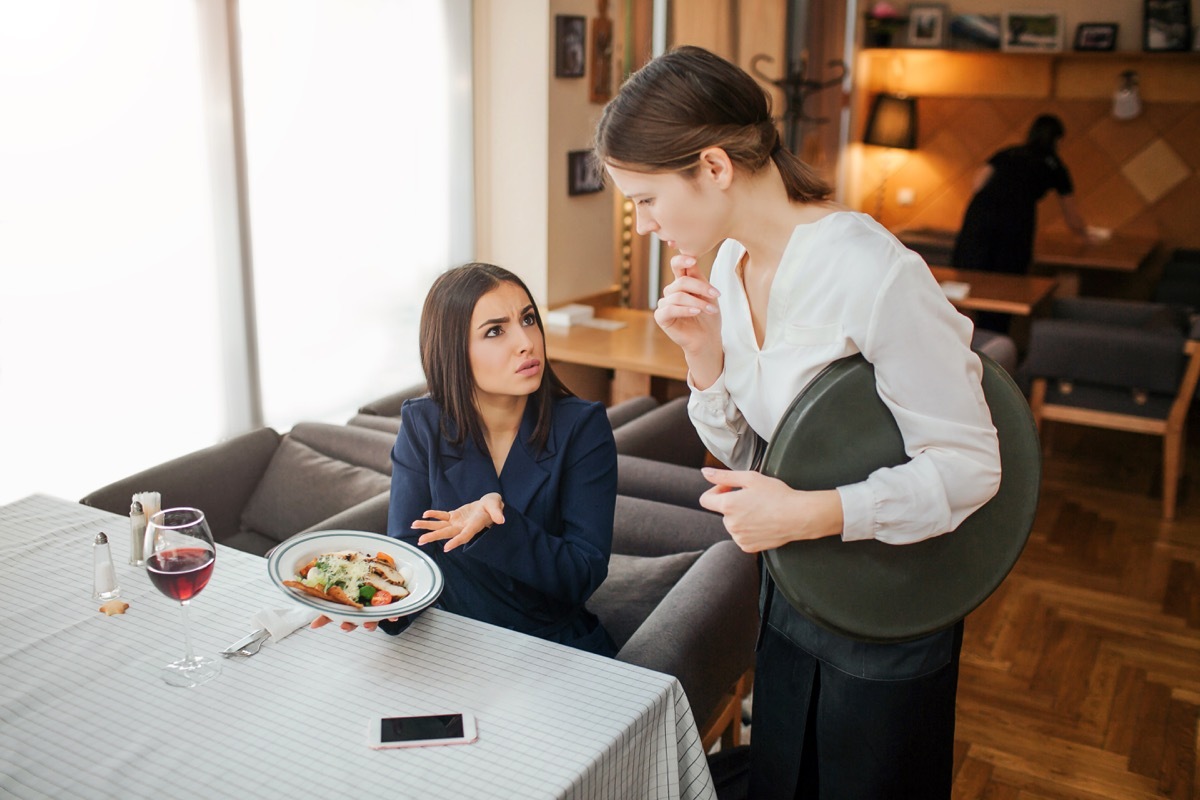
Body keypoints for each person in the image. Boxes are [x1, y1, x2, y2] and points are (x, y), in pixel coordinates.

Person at [594, 46, 1001, 799]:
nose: (645, 224)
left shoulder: (873, 271)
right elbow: (748, 450)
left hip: (885, 592)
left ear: (714, 166)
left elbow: (970, 465)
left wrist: (806, 512)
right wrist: (704, 356)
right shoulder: (727, 266)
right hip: (791, 588)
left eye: (647, 199)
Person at [315, 262, 618, 657]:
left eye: (528, 319)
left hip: (550, 647)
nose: (526, 341)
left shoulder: (583, 427)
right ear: (453, 350)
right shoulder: (422, 423)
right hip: (449, 640)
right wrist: (380, 603)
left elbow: (582, 575)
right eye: (495, 331)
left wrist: (496, 528)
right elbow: (410, 552)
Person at [951, 114, 1098, 331]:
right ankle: (995, 340)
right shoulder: (1054, 165)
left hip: (980, 215)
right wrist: (1085, 235)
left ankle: (963, 339)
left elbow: (978, 184)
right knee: (1006, 286)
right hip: (1015, 219)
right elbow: (1071, 214)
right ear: (1057, 140)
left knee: (967, 280)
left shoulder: (1008, 152)